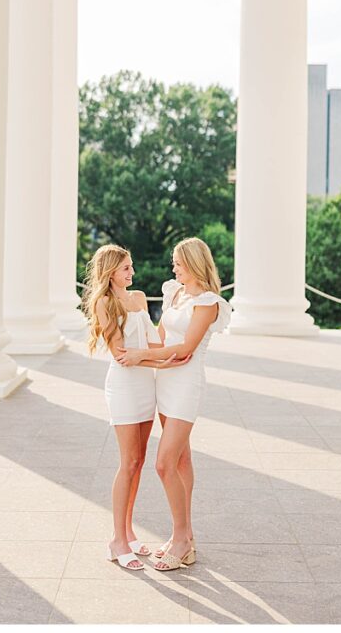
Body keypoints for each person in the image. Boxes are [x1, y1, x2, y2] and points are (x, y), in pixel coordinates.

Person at [115, 237, 230, 571]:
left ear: (194, 263)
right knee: (181, 458)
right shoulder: (175, 293)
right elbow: (162, 339)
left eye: (178, 263)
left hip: (186, 383)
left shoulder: (209, 303)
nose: (174, 267)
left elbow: (186, 348)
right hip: (165, 379)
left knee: (163, 463)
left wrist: (143, 356)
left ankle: (180, 537)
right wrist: (141, 353)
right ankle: (187, 536)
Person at [83, 245, 189, 572]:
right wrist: (157, 358)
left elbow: (150, 344)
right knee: (127, 461)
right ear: (111, 271)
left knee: (139, 461)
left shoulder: (140, 297)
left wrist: (173, 357)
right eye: (126, 268)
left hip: (146, 382)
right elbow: (120, 352)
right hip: (124, 386)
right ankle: (116, 540)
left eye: (132, 266)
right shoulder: (104, 303)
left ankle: (128, 533)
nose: (133, 273)